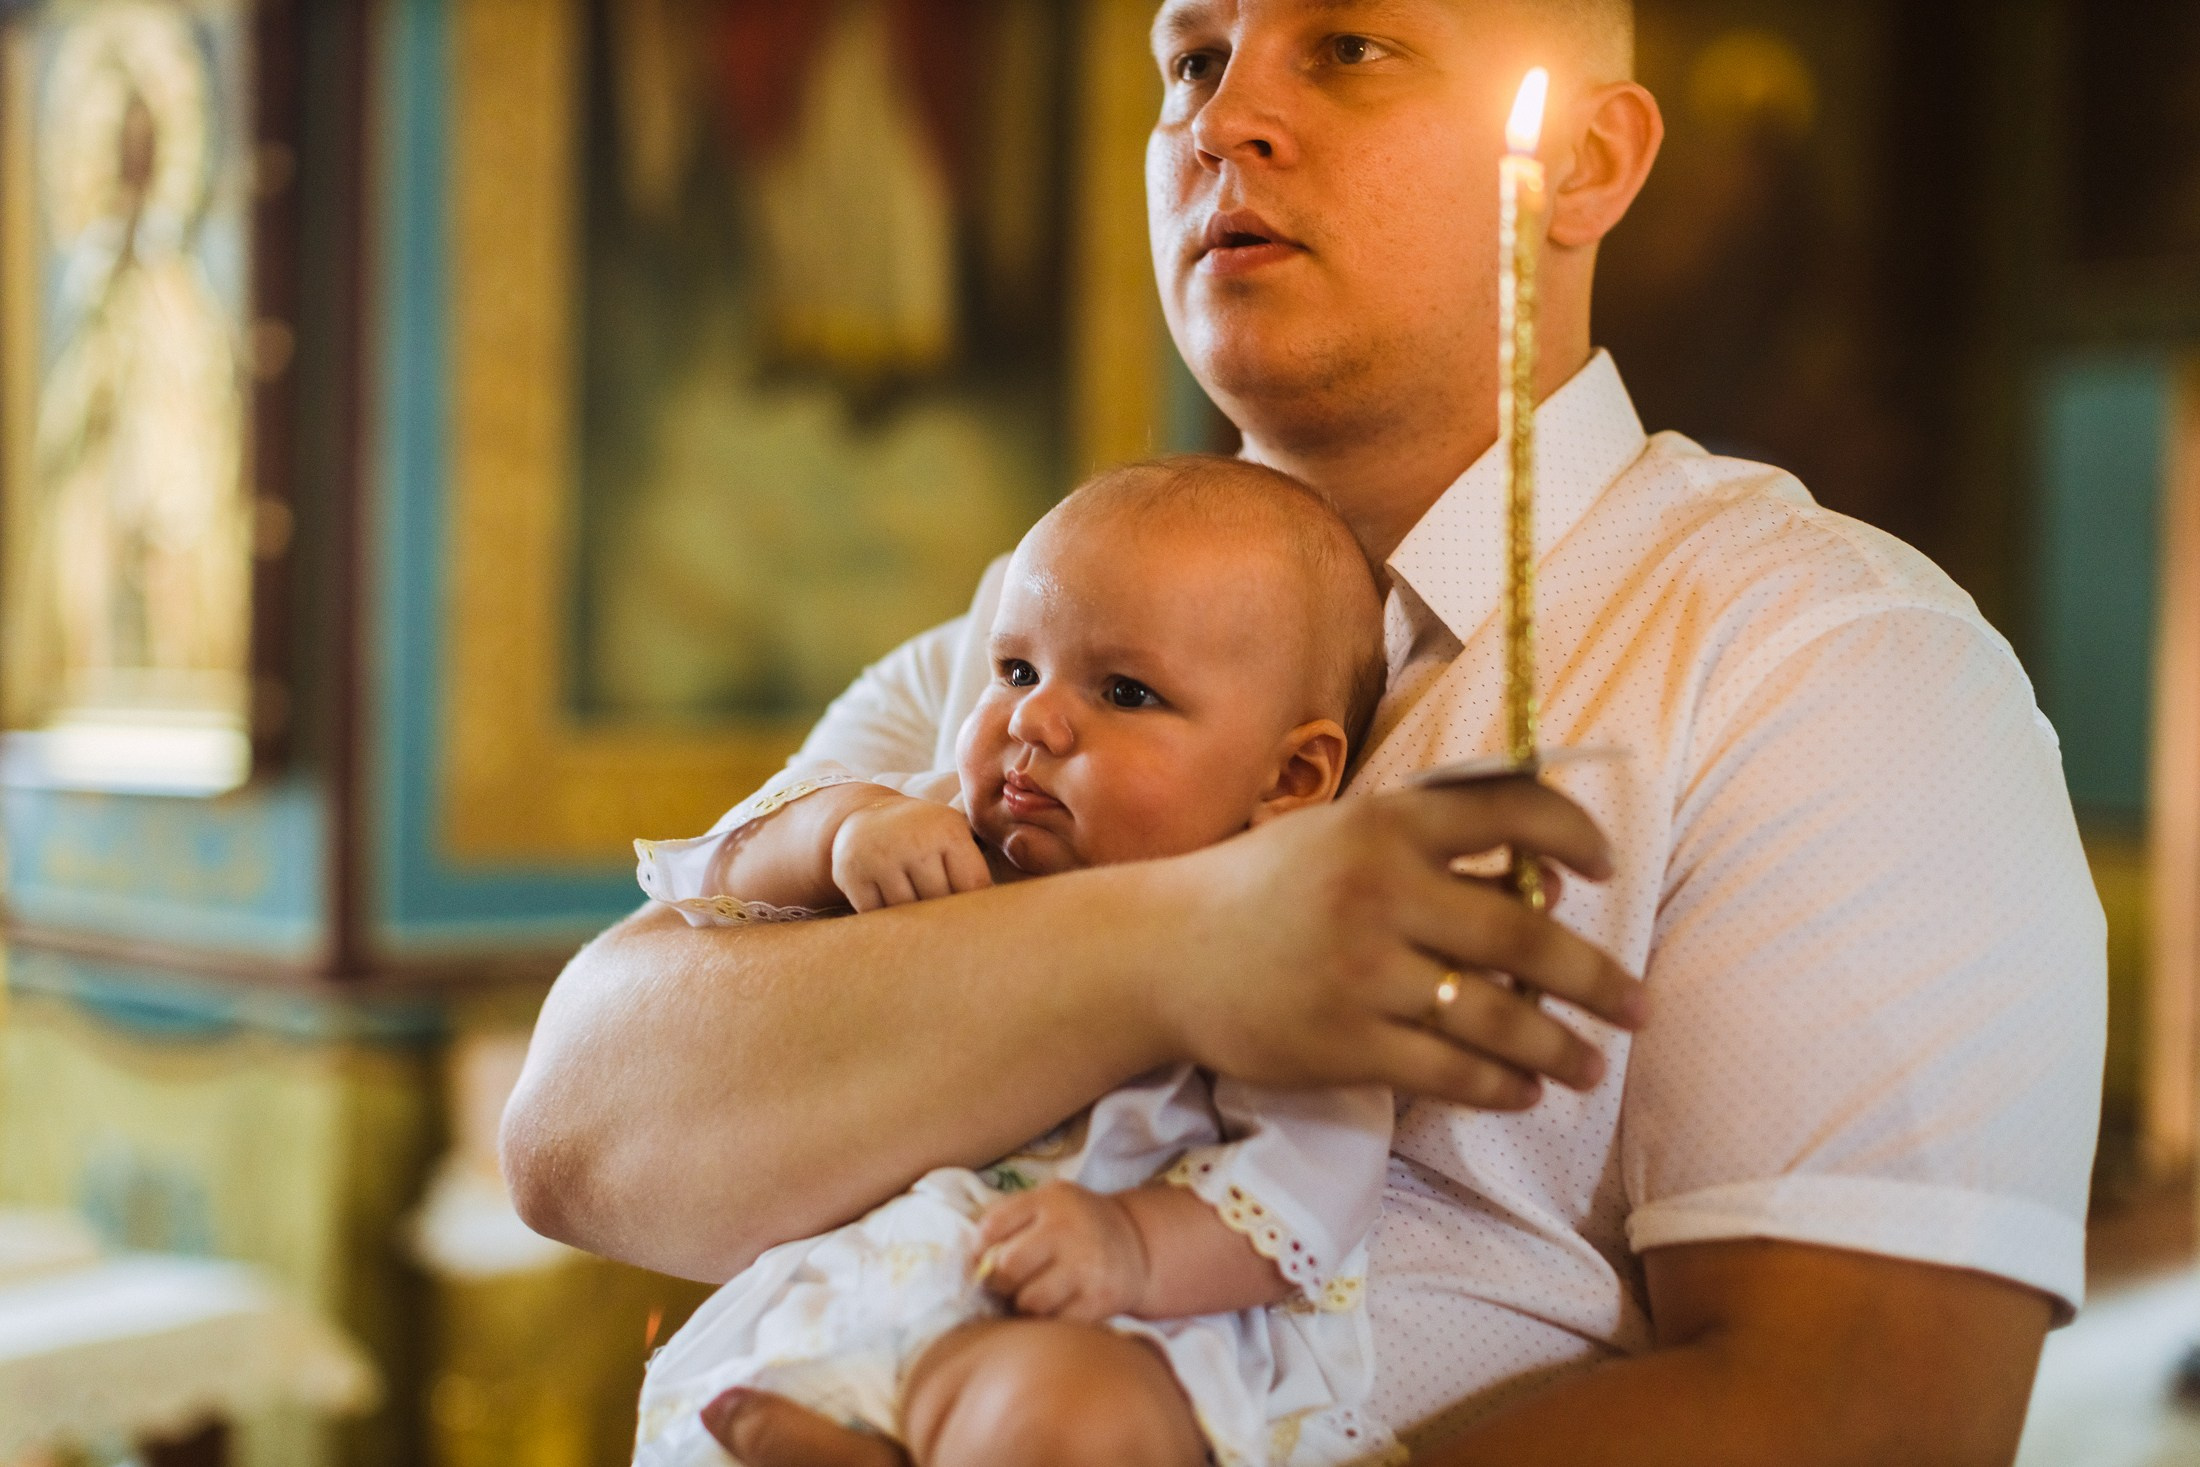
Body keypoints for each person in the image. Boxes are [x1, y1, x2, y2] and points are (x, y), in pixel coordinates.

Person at [503, 1, 2106, 1462]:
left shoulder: (1817, 660)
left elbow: (1858, 1414)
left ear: (1586, 163)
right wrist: (1189, 944)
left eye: (1348, 48)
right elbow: (585, 1133)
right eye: (1192, 62)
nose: (1222, 120)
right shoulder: (1008, 656)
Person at [635, 458, 1402, 1467]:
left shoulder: (1278, 951)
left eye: (1125, 692)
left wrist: (1132, 1247)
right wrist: (837, 832)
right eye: (1014, 671)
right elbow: (701, 881)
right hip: (848, 1316)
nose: (1033, 722)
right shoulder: (941, 833)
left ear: (1289, 776)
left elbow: (1313, 1181)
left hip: (1094, 1327)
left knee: (1067, 1422)